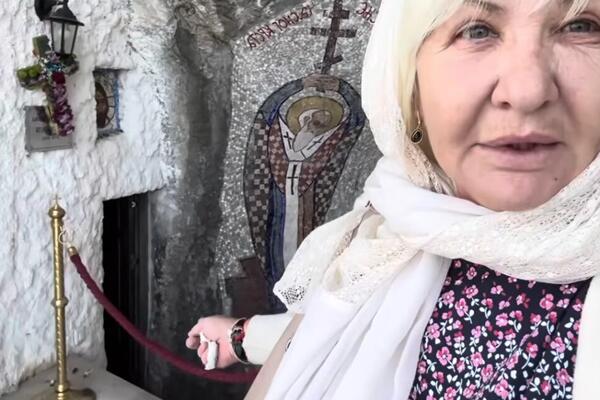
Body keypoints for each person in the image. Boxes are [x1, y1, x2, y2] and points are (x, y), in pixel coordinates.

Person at [187, 0, 600, 398]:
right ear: (409, 86)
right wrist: (242, 337)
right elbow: (341, 326)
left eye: (581, 26)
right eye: (477, 31)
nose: (527, 91)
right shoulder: (391, 218)